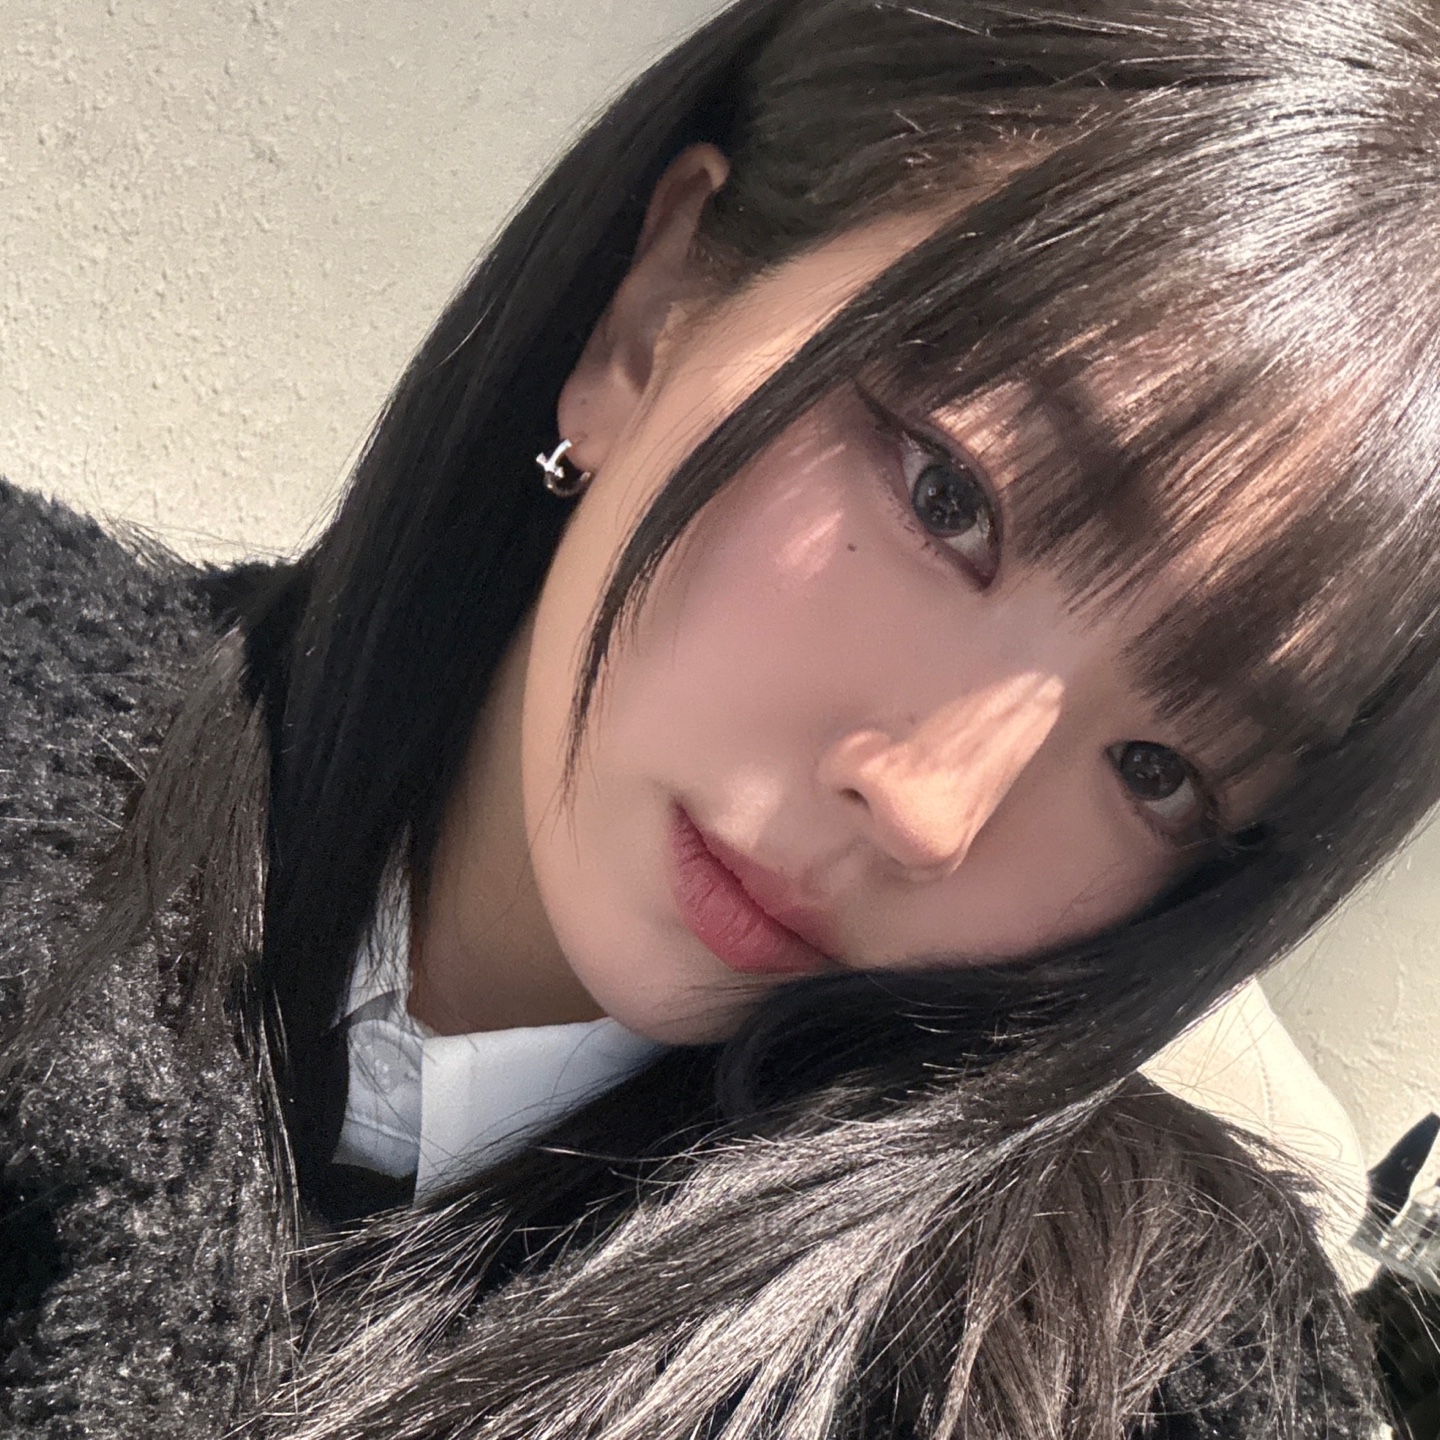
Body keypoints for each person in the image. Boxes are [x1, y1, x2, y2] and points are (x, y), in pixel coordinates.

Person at [3, 0, 1439, 1433]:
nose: (928, 811)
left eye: (1159, 769)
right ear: (651, 310)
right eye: (952, 497)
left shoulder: (1119, 1354)